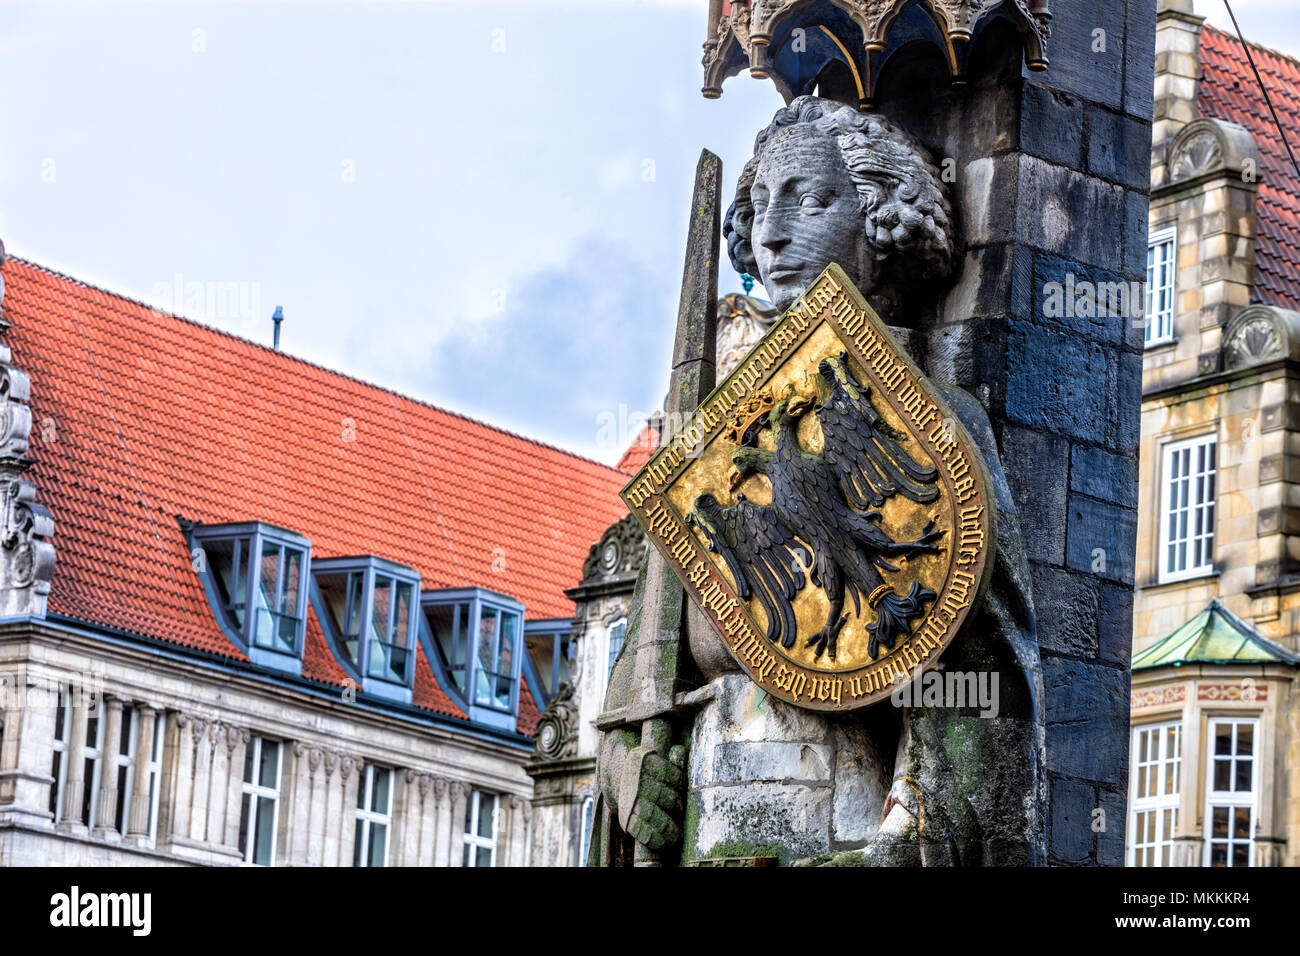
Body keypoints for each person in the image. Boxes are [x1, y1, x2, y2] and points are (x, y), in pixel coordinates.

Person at [592, 96, 1044, 866]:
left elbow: (984, 691)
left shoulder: (933, 424)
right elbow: (638, 690)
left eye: (809, 199)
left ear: (878, 221)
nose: (771, 235)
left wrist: (903, 846)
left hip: (846, 838)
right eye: (762, 204)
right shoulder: (714, 441)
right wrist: (628, 774)